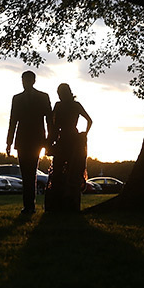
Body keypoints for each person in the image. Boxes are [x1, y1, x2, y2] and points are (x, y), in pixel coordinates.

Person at [6, 70, 52, 215]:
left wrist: (49, 141)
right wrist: (9, 142)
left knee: (31, 171)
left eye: (27, 80)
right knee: (26, 174)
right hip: (22, 139)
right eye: (23, 80)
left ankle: (30, 206)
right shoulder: (17, 98)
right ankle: (28, 205)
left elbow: (49, 120)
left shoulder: (43, 97)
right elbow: (13, 120)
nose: (24, 83)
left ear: (33, 81)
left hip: (37, 139)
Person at [45, 83, 93, 212]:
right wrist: (84, 134)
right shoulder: (71, 105)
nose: (59, 96)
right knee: (64, 171)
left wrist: (84, 134)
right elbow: (89, 120)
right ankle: (64, 202)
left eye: (60, 94)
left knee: (66, 170)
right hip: (69, 139)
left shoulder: (61, 105)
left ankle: (62, 203)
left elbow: (53, 124)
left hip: (67, 140)